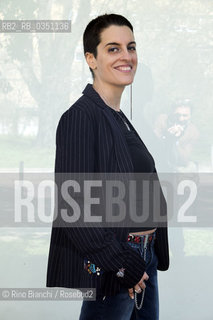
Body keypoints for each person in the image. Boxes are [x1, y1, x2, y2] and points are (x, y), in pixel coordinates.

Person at [46, 13, 169, 320]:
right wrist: (123, 264)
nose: (126, 56)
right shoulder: (81, 117)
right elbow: (73, 209)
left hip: (143, 257)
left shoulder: (118, 117)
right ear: (91, 59)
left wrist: (143, 257)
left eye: (131, 47)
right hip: (118, 262)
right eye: (113, 48)